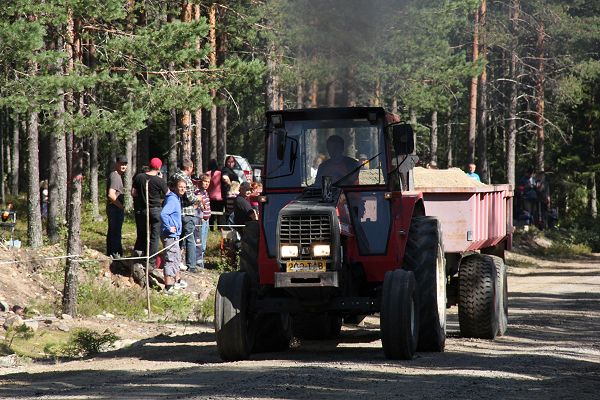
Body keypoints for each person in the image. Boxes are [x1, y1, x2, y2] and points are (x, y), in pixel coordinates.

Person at [131, 157, 169, 268]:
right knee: (154, 237)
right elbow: (168, 193)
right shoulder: (159, 180)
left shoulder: (139, 177)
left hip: (143, 210)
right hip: (156, 210)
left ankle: (138, 258)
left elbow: (133, 193)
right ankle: (151, 263)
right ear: (159, 167)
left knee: (142, 235)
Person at [169, 159, 200, 272]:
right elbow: (189, 197)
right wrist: (198, 198)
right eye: (192, 168)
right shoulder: (186, 179)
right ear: (189, 168)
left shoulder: (173, 177)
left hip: (176, 212)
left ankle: (176, 262)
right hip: (187, 212)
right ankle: (191, 265)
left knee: (178, 238)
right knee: (190, 238)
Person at [160, 178, 188, 294]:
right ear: (175, 187)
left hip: (175, 235)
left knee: (176, 257)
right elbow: (163, 213)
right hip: (169, 235)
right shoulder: (172, 199)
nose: (182, 189)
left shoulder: (176, 198)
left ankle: (176, 281)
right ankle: (168, 286)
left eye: (185, 187)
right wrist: (168, 227)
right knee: (170, 258)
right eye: (180, 186)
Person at [106, 154, 128, 257]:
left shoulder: (117, 176)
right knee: (115, 233)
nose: (124, 166)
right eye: (122, 164)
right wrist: (121, 206)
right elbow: (111, 195)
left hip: (114, 208)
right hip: (114, 209)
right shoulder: (115, 176)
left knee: (113, 232)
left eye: (125, 164)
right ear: (117, 164)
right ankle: (115, 255)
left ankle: (112, 254)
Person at [194, 173, 211, 269]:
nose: (206, 184)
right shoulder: (197, 192)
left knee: (204, 243)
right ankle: (198, 263)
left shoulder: (205, 192)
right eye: (205, 181)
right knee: (199, 242)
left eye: (208, 182)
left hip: (206, 220)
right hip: (200, 220)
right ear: (200, 182)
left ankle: (201, 261)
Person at [207, 159, 224, 231]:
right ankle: (219, 228)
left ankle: (211, 228)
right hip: (219, 197)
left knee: (211, 215)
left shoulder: (207, 173)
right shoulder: (220, 173)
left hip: (210, 197)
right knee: (219, 214)